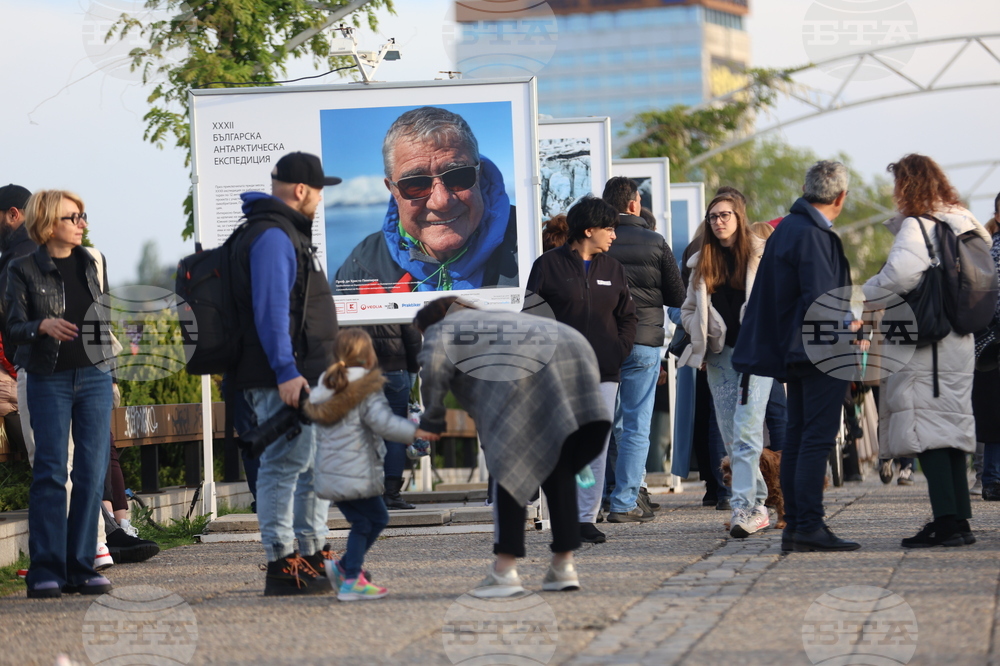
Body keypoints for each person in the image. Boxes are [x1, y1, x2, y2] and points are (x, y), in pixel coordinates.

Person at [414, 297, 611, 597]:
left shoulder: (444, 328)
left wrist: (432, 420)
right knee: (558, 467)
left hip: (522, 380)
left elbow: (433, 368)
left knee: (510, 467)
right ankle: (563, 566)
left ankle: (504, 572)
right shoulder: (498, 319)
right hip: (574, 352)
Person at [732, 160, 861, 553]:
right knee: (815, 439)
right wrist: (849, 331)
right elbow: (824, 301)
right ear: (840, 197)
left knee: (801, 438)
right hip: (821, 351)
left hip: (795, 350)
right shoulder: (813, 235)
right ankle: (808, 525)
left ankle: (797, 525)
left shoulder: (788, 227)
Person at [233, 152, 341, 596]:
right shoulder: (274, 236)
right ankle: (281, 561)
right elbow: (272, 310)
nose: (320, 200)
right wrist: (286, 370)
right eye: (318, 192)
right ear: (302, 191)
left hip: (303, 373)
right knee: (283, 464)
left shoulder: (285, 232)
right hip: (283, 375)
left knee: (312, 464)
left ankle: (311, 552)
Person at [864, 154, 985, 547]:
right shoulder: (965, 220)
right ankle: (958, 521)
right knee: (950, 428)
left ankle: (947, 521)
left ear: (909, 185)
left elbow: (900, 274)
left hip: (926, 344)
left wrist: (864, 293)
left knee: (926, 432)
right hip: (959, 336)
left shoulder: (919, 225)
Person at [7, 190, 117, 597]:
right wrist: (42, 327)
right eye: (74, 217)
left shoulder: (92, 261)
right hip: (47, 377)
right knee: (52, 471)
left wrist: (113, 373)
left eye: (82, 216)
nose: (82, 224)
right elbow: (12, 328)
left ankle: (82, 566)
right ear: (50, 223)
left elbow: (102, 320)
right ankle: (46, 568)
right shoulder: (21, 269)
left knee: (90, 472)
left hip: (94, 377)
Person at [525, 196, 637, 543]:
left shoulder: (614, 269)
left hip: (604, 372)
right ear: (588, 230)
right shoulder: (547, 266)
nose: (614, 236)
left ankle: (585, 518)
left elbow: (627, 317)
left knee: (596, 446)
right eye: (609, 228)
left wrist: (618, 350)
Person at [305, 328, 435, 601]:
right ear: (368, 357)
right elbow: (383, 423)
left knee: (365, 520)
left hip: (330, 474)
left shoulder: (326, 384)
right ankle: (350, 578)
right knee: (374, 519)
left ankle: (344, 568)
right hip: (356, 473)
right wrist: (415, 432)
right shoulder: (365, 386)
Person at [334, 106, 518, 293]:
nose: (442, 201)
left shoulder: (532, 243)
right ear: (393, 190)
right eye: (416, 183)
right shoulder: (364, 267)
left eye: (458, 176)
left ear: (479, 175)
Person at [680, 191, 771, 538]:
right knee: (733, 437)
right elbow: (688, 310)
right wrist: (700, 333)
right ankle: (758, 503)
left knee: (748, 430)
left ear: (739, 217)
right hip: (719, 357)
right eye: (713, 216)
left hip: (757, 354)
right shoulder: (701, 262)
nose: (718, 221)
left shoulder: (761, 254)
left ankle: (744, 507)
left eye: (725, 215)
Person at [601, 176, 684, 523]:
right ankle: (624, 501)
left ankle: (610, 494)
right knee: (637, 424)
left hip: (606, 342)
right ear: (635, 203)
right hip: (645, 341)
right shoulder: (655, 242)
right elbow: (677, 295)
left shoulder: (600, 242)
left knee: (611, 421)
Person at [361, 324, 422, 510]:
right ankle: (392, 495)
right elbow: (413, 337)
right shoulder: (396, 293)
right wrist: (413, 369)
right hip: (396, 370)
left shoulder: (350, 293)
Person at [974, 191, 1000, 501]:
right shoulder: (990, 249)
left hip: (987, 340)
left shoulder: (985, 250)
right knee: (994, 413)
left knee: (993, 414)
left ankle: (991, 478)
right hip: (993, 340)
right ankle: (992, 478)